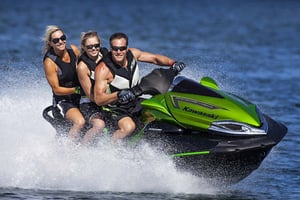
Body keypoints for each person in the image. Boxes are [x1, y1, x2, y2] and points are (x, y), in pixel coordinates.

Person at [94, 32, 185, 142]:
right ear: (111, 48)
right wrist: (118, 94)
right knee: (129, 127)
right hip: (114, 109)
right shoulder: (103, 69)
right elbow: (98, 99)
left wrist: (173, 63)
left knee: (160, 110)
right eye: (115, 49)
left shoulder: (133, 54)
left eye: (122, 48)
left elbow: (155, 58)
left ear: (127, 48)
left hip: (134, 102)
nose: (119, 52)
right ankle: (108, 149)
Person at [42, 25, 85, 143]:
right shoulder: (50, 62)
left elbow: (88, 65)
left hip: (81, 97)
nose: (61, 41)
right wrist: (76, 90)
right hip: (63, 101)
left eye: (63, 38)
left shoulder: (74, 50)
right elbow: (56, 89)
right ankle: (68, 152)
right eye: (56, 40)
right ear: (50, 43)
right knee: (79, 122)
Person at [77, 31, 108, 145]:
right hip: (89, 102)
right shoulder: (83, 66)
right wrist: (109, 99)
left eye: (96, 45)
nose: (94, 49)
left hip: (108, 99)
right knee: (99, 125)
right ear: (83, 47)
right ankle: (83, 149)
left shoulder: (106, 55)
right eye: (90, 47)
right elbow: (91, 96)